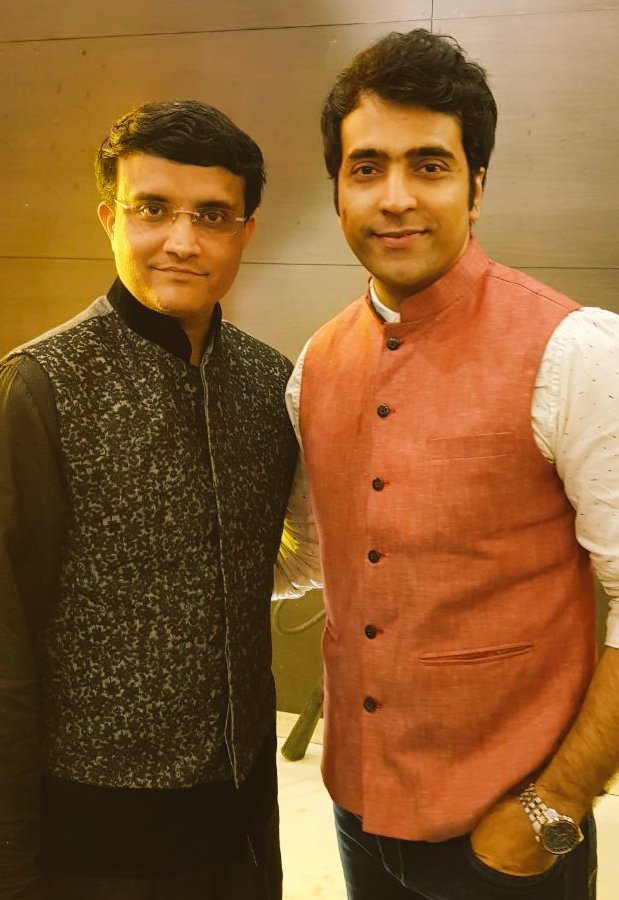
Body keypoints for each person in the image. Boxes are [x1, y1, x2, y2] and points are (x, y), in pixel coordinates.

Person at [286, 28, 619, 900]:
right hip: (355, 812)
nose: (394, 197)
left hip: (511, 834)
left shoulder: (575, 351)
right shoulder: (314, 365)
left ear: (476, 186)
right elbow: (316, 556)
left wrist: (552, 807)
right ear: (337, 190)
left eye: (428, 165)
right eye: (366, 168)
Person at [0, 99, 317, 900]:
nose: (181, 240)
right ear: (109, 217)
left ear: (245, 231)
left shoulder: (268, 382)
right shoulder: (40, 387)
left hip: (239, 817)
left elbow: (271, 559)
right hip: (89, 835)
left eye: (211, 215)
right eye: (152, 209)